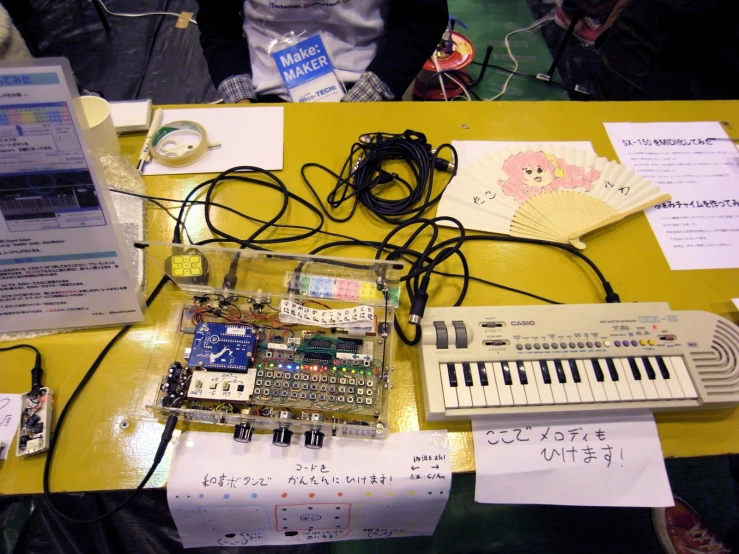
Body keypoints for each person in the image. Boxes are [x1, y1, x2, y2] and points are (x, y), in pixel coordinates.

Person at [196, 0, 448, 104]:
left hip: (368, 85)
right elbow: (218, 23)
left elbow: (422, 19)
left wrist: (368, 97)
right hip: (262, 89)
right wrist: (241, 100)